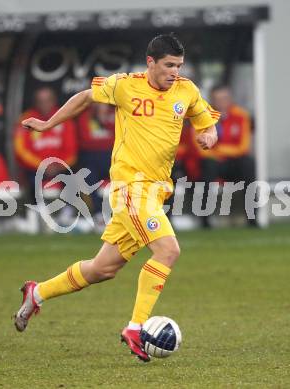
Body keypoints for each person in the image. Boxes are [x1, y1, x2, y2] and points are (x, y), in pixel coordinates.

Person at [14, 33, 219, 362]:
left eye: (178, 66)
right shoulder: (125, 85)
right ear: (150, 62)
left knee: (102, 269)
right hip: (129, 188)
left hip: (156, 191)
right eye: (168, 65)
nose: (174, 72)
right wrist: (49, 124)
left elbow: (205, 122)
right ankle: (136, 328)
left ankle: (37, 292)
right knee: (168, 250)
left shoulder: (187, 90)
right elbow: (84, 98)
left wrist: (208, 134)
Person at [198, 85, 256, 228]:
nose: (222, 102)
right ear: (212, 100)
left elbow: (243, 147)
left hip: (234, 162)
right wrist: (217, 152)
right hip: (214, 162)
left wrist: (219, 149)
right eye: (218, 99)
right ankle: (204, 221)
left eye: (225, 98)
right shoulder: (204, 116)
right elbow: (201, 147)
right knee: (208, 165)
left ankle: (252, 218)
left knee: (248, 163)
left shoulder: (241, 115)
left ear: (230, 99)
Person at [14, 87, 78, 203]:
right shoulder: (26, 119)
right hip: (35, 167)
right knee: (32, 181)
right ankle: (35, 214)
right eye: (40, 101)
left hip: (60, 167)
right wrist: (41, 165)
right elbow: (21, 150)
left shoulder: (64, 117)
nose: (44, 104)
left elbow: (72, 150)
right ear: (35, 103)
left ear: (54, 101)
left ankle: (68, 213)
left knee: (73, 177)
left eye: (48, 100)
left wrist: (58, 166)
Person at [76, 103, 115, 229]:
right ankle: (98, 215)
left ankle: (124, 214)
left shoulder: (116, 113)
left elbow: (121, 137)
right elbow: (85, 141)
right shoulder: (85, 116)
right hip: (91, 158)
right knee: (88, 175)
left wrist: (104, 119)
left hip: (114, 157)